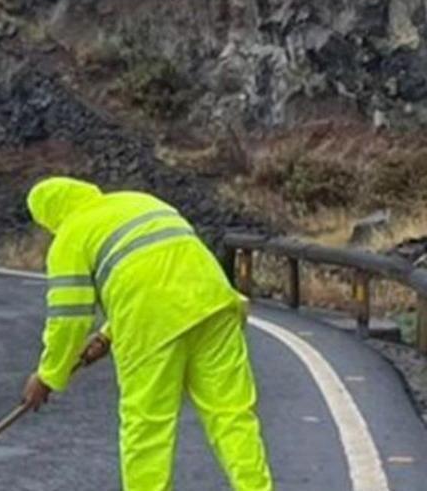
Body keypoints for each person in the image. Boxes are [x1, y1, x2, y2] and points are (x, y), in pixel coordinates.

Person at [19, 176, 272, 491]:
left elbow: (69, 319)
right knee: (232, 415)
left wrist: (47, 376)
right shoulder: (138, 201)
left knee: (148, 428)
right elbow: (158, 268)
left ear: (48, 216)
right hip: (213, 305)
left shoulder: (70, 236)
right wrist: (106, 337)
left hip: (150, 326)